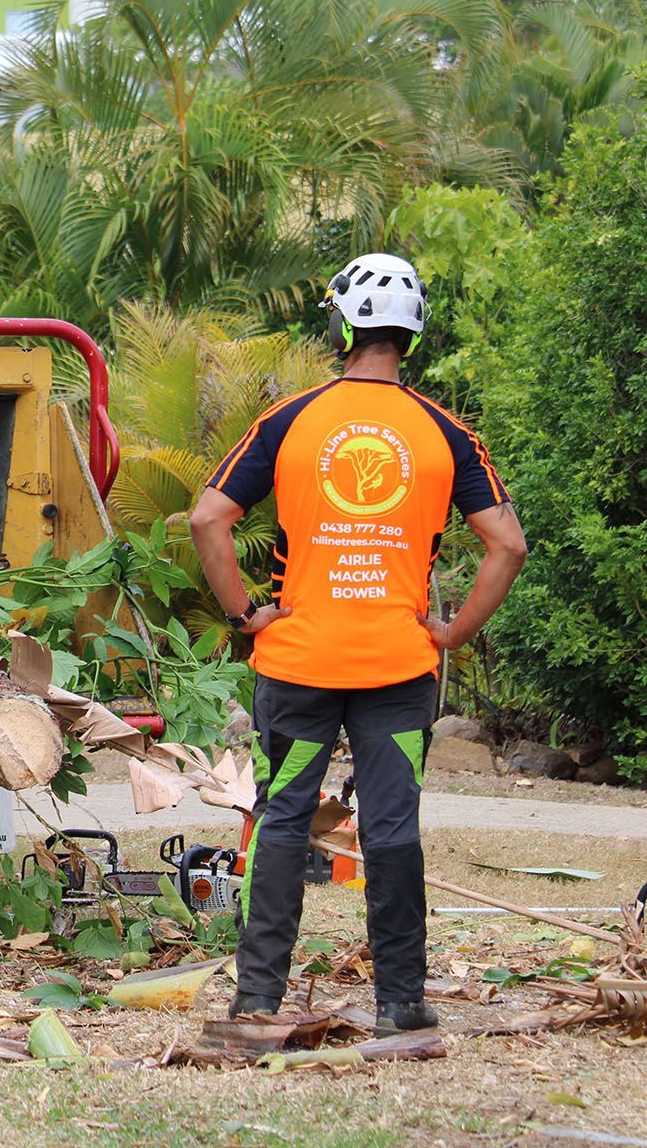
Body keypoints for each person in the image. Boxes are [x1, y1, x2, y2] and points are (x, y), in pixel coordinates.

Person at [189, 253, 527, 1035]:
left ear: (342, 324)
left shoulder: (290, 419)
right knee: (390, 829)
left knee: (281, 820)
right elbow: (506, 544)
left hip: (299, 663)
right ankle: (401, 1005)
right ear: (412, 337)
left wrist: (246, 615)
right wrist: (451, 633)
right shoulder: (447, 434)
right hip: (398, 669)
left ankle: (258, 999)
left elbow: (210, 517)